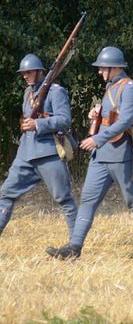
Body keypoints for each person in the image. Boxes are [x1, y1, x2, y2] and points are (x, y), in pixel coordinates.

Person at [46, 46, 133, 259]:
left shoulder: (129, 88)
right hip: (102, 156)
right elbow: (112, 116)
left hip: (123, 154)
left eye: (103, 67)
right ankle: (74, 248)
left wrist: (97, 139)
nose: (99, 71)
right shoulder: (111, 87)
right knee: (88, 199)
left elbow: (125, 121)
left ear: (115, 67)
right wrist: (97, 114)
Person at [0, 54, 77, 238]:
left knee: (63, 198)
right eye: (23, 73)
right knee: (6, 194)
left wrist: (38, 124)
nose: (25, 76)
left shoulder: (56, 91)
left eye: (29, 72)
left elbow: (64, 119)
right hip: (25, 154)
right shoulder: (28, 93)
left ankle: (76, 242)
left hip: (48, 153)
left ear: (39, 72)